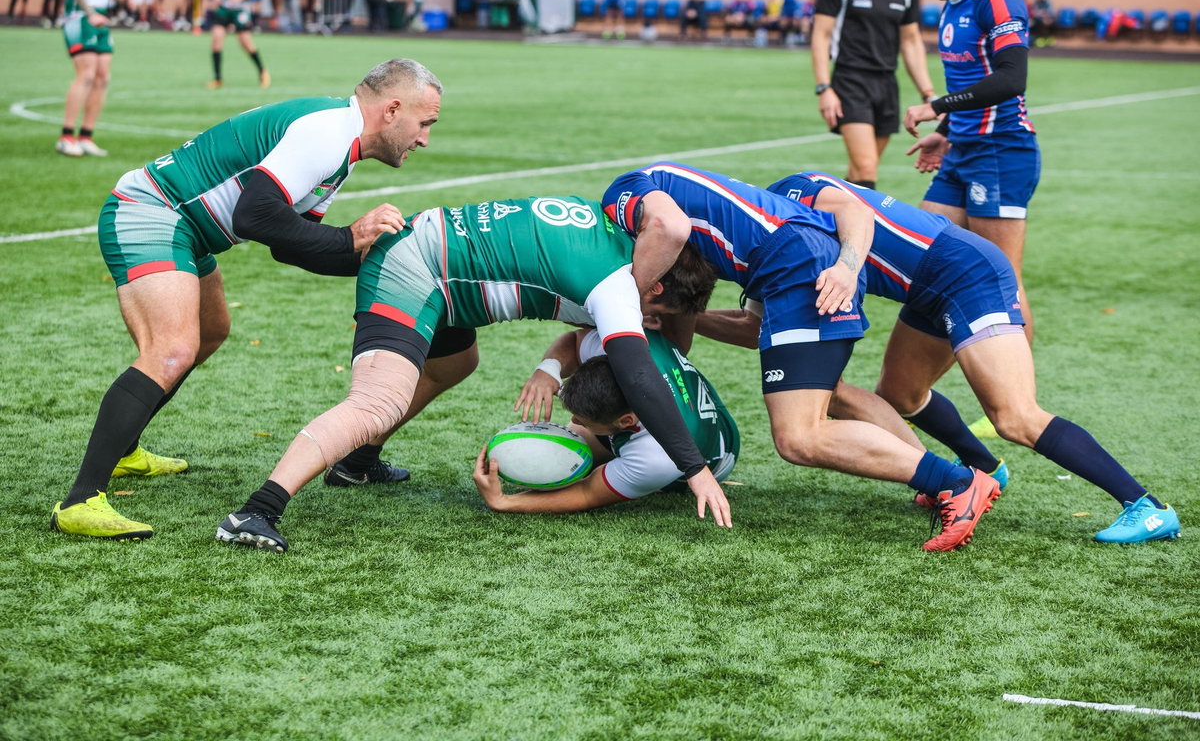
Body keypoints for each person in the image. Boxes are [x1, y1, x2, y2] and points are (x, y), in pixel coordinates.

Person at [49, 59, 442, 542]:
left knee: (211, 331)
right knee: (171, 350)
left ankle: (124, 450)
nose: (424, 138)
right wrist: (347, 238)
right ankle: (80, 500)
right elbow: (255, 215)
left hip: (187, 229)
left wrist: (381, 258)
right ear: (393, 109)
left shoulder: (341, 142)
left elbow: (291, 243)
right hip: (151, 211)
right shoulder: (327, 133)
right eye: (425, 123)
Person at [216, 197, 729, 552]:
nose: (650, 324)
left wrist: (550, 369)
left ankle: (356, 461)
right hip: (419, 270)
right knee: (377, 402)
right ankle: (257, 511)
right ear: (655, 287)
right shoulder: (619, 286)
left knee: (457, 363)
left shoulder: (616, 236)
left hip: (439, 260)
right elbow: (640, 379)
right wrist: (696, 468)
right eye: (655, 314)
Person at [762, 172, 1180, 544]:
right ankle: (983, 467)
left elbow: (851, 208)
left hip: (965, 272)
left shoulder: (791, 193)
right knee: (900, 394)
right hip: (926, 286)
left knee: (1015, 417)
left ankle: (1147, 507)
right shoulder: (776, 209)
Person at [602, 162, 999, 552]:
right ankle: (939, 480)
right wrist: (673, 317)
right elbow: (745, 330)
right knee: (835, 394)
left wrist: (624, 306)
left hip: (797, 265)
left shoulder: (624, 193)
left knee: (798, 437)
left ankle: (958, 483)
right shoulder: (739, 224)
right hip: (792, 264)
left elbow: (667, 228)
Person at [903, 0, 1039, 351]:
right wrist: (945, 130)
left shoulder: (995, 0)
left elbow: (1012, 78)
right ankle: (910, 389)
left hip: (1000, 152)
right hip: (961, 149)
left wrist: (936, 107)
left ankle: (1020, 402)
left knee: (1003, 280)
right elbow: (970, 80)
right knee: (930, 253)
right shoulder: (953, 1)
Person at [473, 326, 739, 514]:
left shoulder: (657, 458)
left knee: (574, 459)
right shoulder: (624, 344)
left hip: (716, 454)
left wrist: (504, 502)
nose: (574, 419)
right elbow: (575, 340)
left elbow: (587, 492)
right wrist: (548, 370)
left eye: (583, 419)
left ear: (625, 422)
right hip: (690, 403)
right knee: (571, 449)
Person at [811, 0, 936, 191]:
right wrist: (824, 87)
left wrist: (928, 93)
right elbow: (821, 35)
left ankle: (829, 223)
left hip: (887, 84)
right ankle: (866, 229)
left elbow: (911, 41)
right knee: (866, 167)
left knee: (861, 171)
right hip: (850, 81)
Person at [56, 0, 126, 158]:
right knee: (86, 74)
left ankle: (86, 136)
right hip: (81, 16)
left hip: (100, 18)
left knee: (102, 76)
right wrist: (89, 12)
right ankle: (66, 137)